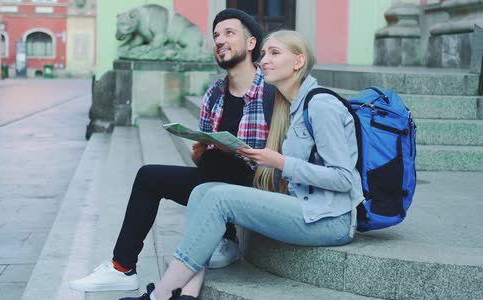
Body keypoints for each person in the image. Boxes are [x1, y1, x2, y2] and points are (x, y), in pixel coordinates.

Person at [120, 30, 365, 300]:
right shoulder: (290, 105)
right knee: (204, 191)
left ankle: (160, 296)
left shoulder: (321, 106)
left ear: (298, 61)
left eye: (275, 53)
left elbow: (345, 179)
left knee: (220, 198)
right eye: (263, 54)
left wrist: (280, 161)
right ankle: (188, 293)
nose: (264, 61)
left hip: (331, 219)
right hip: (307, 208)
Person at [69, 8, 273, 293]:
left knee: (224, 165)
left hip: (252, 191)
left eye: (229, 33)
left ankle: (223, 239)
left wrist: (236, 153)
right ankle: (122, 267)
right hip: (214, 186)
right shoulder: (215, 93)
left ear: (251, 43)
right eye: (216, 35)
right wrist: (200, 151)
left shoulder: (271, 93)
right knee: (150, 176)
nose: (220, 40)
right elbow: (202, 156)